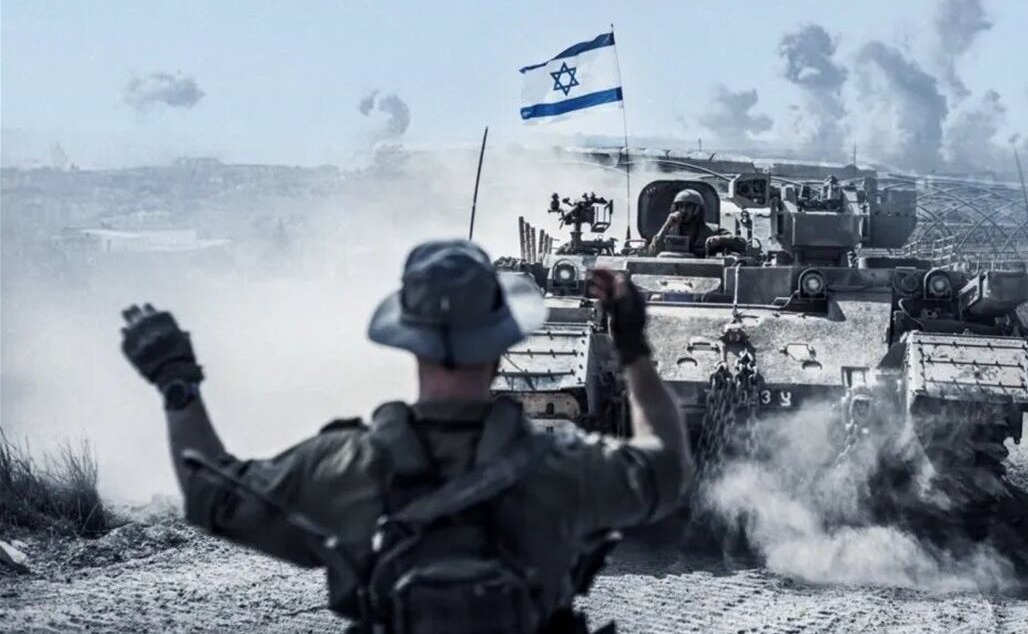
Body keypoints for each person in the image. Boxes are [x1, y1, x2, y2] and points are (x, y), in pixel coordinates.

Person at [119, 239, 692, 633]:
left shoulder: (349, 463)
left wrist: (177, 384)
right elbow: (667, 466)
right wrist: (633, 350)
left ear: (409, 340)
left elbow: (211, 495)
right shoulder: (562, 463)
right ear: (502, 344)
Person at [646, 189, 745, 257]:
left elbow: (742, 244)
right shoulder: (668, 232)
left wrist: (721, 239)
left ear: (697, 210)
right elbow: (652, 253)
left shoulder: (711, 231)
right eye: (680, 206)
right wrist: (666, 225)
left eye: (688, 207)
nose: (683, 210)